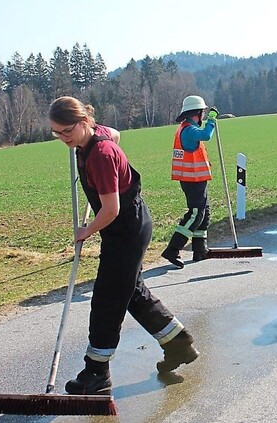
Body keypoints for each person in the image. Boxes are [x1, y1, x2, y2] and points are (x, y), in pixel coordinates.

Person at [48, 96, 199, 395]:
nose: (62, 138)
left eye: (66, 131)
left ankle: (96, 372)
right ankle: (178, 343)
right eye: (56, 133)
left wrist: (85, 231)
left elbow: (111, 209)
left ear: (83, 122)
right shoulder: (98, 135)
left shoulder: (101, 155)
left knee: (107, 298)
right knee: (131, 292)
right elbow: (115, 133)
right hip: (128, 225)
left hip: (126, 228)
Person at [161, 95, 219, 268]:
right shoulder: (189, 130)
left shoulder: (186, 128)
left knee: (204, 213)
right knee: (195, 214)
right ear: (198, 113)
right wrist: (212, 120)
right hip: (192, 179)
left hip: (196, 178)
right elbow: (206, 135)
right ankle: (173, 249)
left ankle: (200, 249)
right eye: (203, 113)